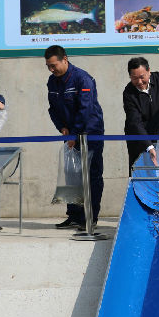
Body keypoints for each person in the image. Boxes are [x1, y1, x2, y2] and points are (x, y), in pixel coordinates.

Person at [45, 45, 105, 229]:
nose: (51, 69)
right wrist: (62, 127)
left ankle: (90, 217)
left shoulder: (83, 79)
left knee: (91, 175)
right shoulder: (52, 81)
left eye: (54, 65)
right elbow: (52, 109)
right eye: (48, 66)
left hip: (89, 133)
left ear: (65, 59)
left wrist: (74, 133)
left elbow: (85, 110)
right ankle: (74, 216)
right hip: (70, 133)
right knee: (71, 174)